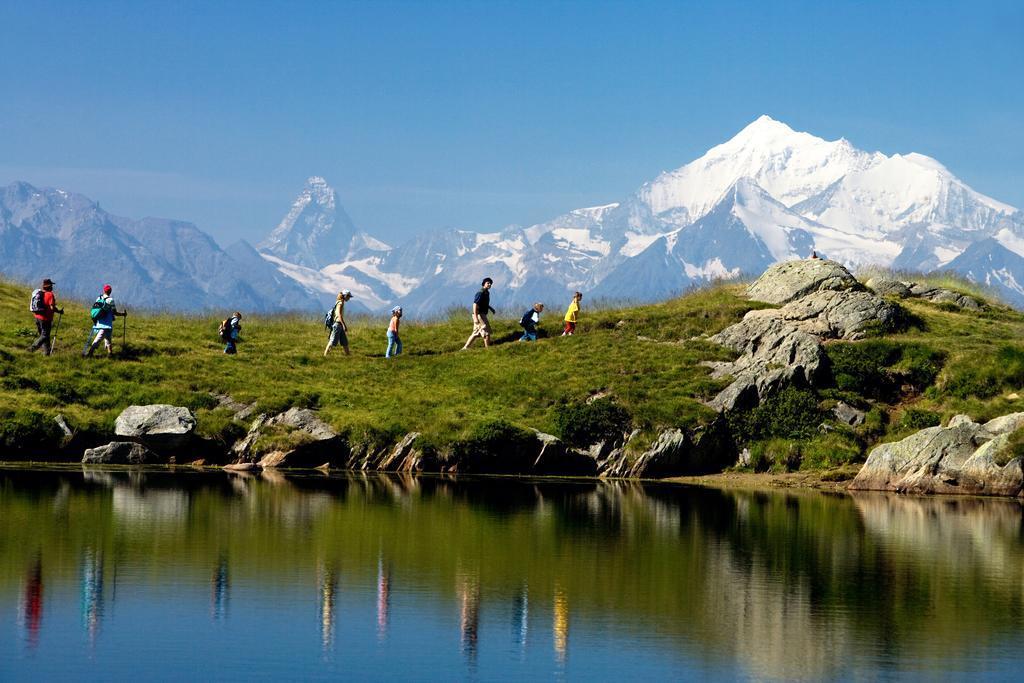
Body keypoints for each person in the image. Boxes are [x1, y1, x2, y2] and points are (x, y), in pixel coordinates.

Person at [83, 284, 126, 357]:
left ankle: (110, 353)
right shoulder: (110, 300)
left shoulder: (98, 298)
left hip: (99, 322)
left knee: (108, 338)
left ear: (104, 290)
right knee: (99, 338)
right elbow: (115, 312)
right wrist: (123, 314)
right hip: (106, 324)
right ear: (110, 291)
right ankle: (90, 353)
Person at [28, 278, 63, 355]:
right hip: (45, 319)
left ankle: (47, 352)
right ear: (49, 286)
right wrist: (59, 311)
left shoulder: (39, 293)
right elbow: (51, 307)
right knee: (45, 335)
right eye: (51, 285)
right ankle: (32, 349)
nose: (52, 287)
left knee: (44, 336)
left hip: (37, 317)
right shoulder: (50, 294)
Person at [462, 278, 496, 349]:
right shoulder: (480, 293)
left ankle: (465, 348)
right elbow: (475, 305)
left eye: (490, 284)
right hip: (479, 315)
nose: (489, 284)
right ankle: (488, 349)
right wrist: (476, 318)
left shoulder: (486, 292)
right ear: (484, 284)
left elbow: (484, 303)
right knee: (487, 332)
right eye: (488, 283)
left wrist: (491, 308)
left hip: (480, 314)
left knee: (476, 333)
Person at [324, 290, 353, 357]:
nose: (349, 298)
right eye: (348, 296)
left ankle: (348, 356)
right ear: (345, 296)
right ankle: (325, 355)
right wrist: (344, 325)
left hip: (339, 324)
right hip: (337, 324)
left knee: (344, 341)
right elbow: (339, 315)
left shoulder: (341, 302)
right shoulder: (340, 303)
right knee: (332, 341)